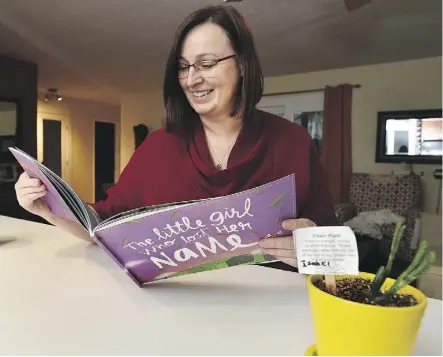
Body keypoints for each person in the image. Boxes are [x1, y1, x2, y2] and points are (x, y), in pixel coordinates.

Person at [14, 4, 338, 268]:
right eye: (183, 67)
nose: (192, 79)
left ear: (241, 65)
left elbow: (332, 248)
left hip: (272, 318)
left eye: (206, 63)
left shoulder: (293, 141)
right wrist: (47, 208)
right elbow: (103, 226)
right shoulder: (158, 146)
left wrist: (313, 249)